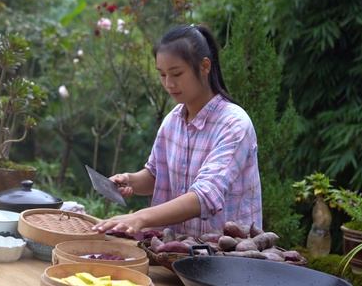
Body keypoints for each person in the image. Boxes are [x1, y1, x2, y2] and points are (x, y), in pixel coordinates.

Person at [92, 24, 262, 236]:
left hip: (226, 259)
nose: (169, 84)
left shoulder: (234, 124)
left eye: (176, 73)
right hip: (174, 252)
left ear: (205, 66)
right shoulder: (173, 121)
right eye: (162, 75)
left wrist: (140, 217)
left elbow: (204, 197)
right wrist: (131, 180)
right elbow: (156, 175)